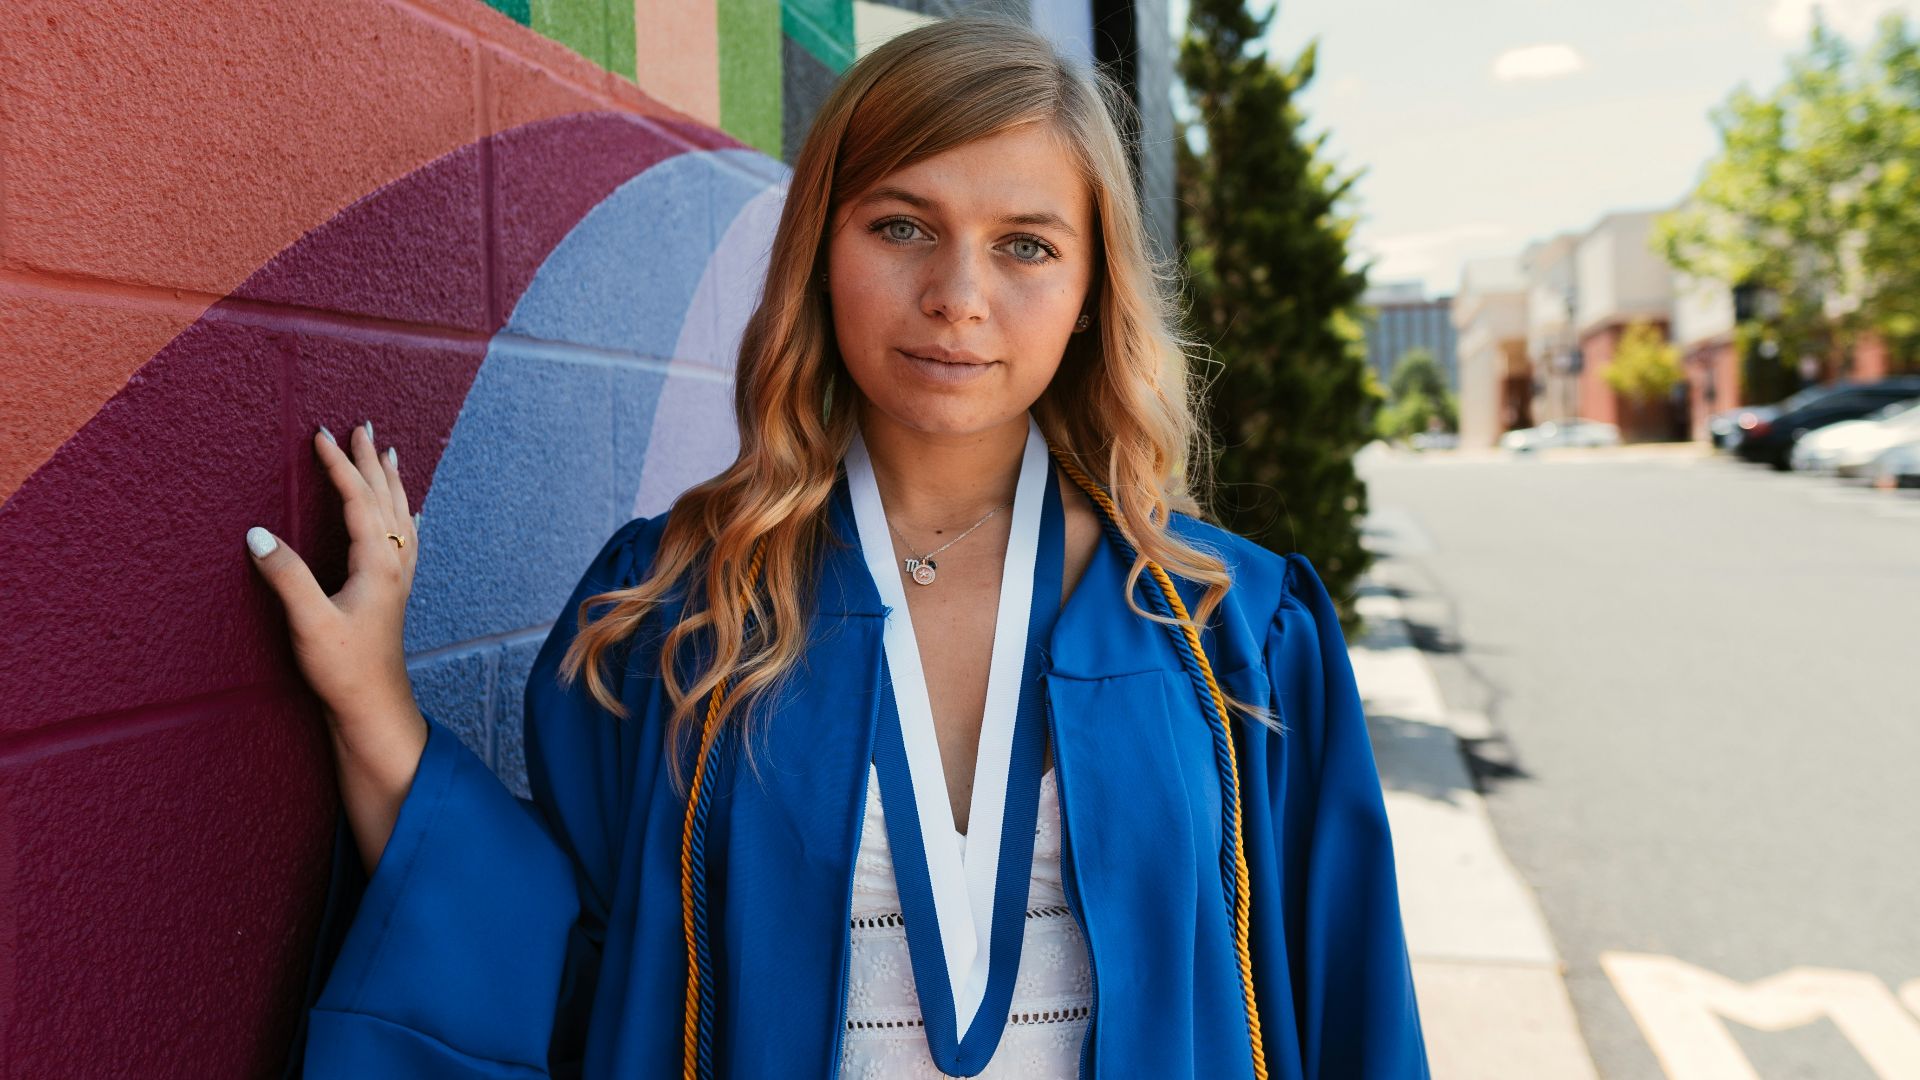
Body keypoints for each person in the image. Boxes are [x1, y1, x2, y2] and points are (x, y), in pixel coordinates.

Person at [248, 15, 1428, 1079]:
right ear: (821, 247)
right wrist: (373, 706)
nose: (957, 295)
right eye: (903, 225)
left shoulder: (1233, 632)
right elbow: (560, 958)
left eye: (1026, 245)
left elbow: (1352, 1008)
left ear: (1091, 288)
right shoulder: (673, 608)